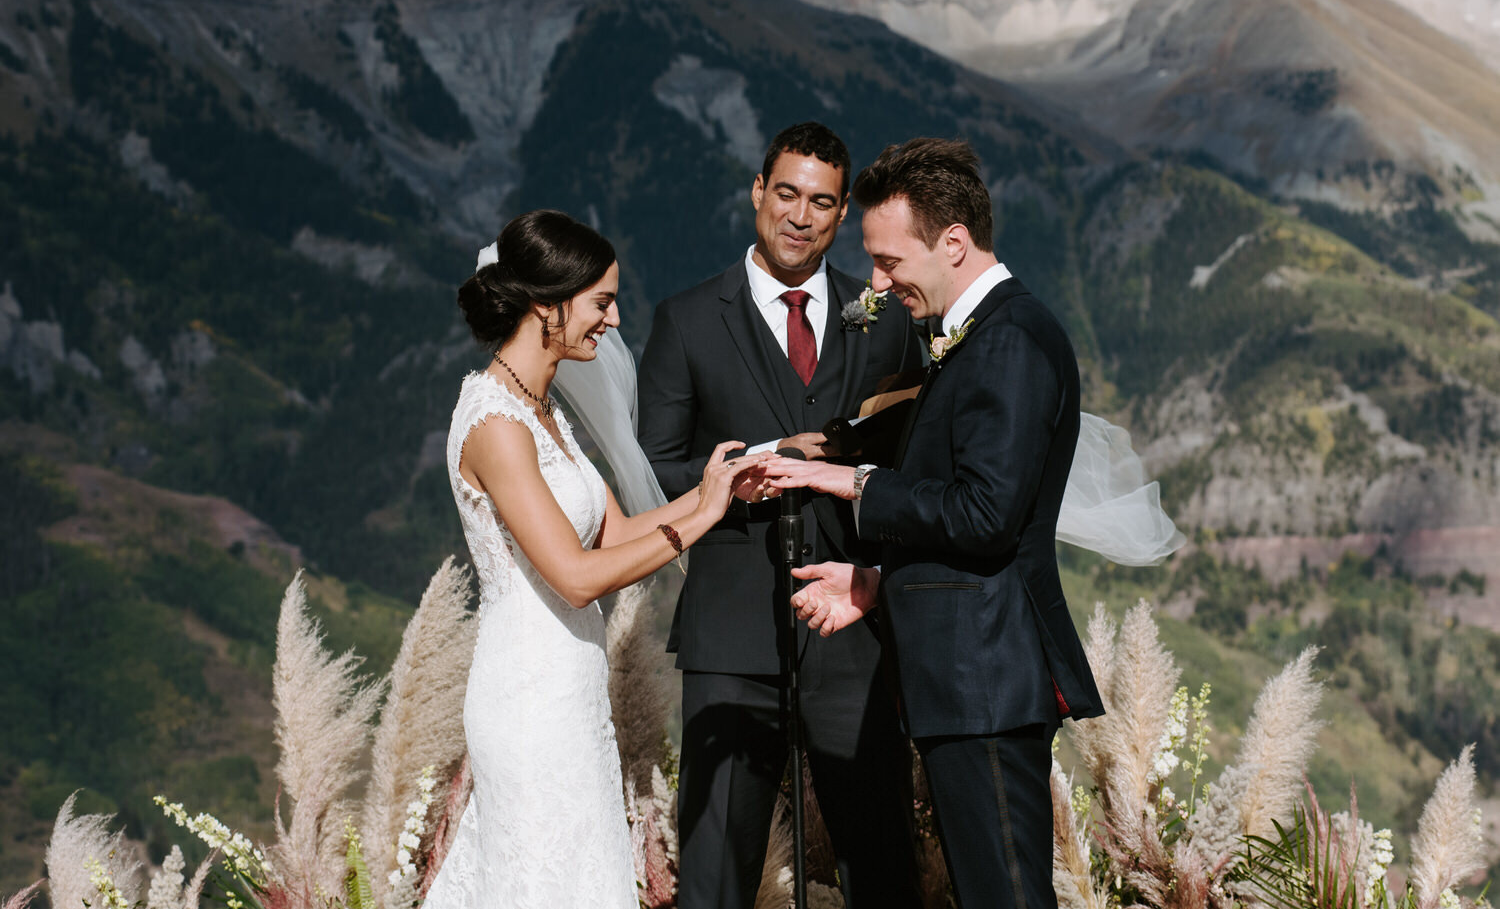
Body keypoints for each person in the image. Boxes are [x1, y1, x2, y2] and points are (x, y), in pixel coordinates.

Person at [761, 138, 1108, 909]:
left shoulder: (1010, 340)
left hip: (985, 678)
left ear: (954, 242)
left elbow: (985, 514)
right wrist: (878, 583)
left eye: (890, 262)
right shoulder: (977, 338)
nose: (878, 285)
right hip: (966, 676)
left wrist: (856, 482)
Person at [426, 209, 773, 909]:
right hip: (526, 698)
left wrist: (718, 489)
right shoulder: (496, 424)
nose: (613, 322)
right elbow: (577, 577)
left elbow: (615, 533)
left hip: (571, 690)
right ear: (545, 304)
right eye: (601, 302)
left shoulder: (545, 410)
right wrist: (701, 519)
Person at [637, 123, 924, 909]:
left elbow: (912, 464)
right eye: (788, 193)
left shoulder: (888, 318)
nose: (801, 215)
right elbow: (648, 472)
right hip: (731, 636)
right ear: (758, 193)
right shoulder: (688, 319)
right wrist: (749, 467)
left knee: (881, 862)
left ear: (840, 217)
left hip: (854, 629)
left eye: (822, 202)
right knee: (716, 875)